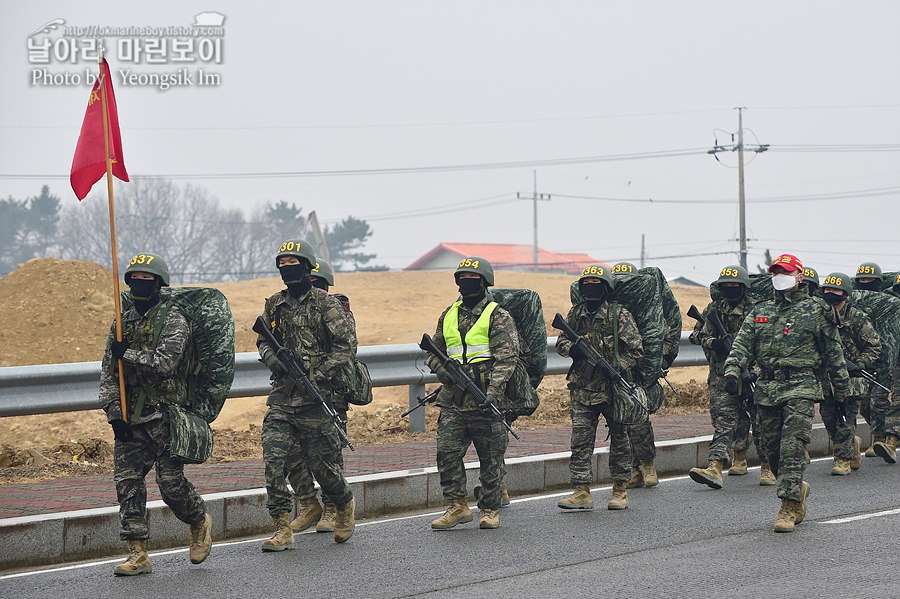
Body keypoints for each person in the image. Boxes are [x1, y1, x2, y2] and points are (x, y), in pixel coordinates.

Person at [99, 253, 212, 576]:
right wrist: (114, 414)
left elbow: (165, 364)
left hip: (166, 418)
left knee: (170, 484)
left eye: (147, 280)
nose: (139, 285)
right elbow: (108, 373)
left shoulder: (174, 320)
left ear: (159, 285)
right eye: (135, 279)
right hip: (131, 420)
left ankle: (199, 521)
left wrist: (128, 353)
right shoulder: (122, 324)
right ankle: (137, 553)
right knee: (127, 484)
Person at [724, 254, 849, 532]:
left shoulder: (817, 310)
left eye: (786, 272)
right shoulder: (761, 310)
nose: (780, 276)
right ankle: (796, 488)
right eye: (777, 272)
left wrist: (842, 392)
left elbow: (834, 353)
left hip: (801, 387)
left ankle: (788, 507)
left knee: (793, 448)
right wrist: (732, 370)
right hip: (767, 389)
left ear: (800, 276)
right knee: (771, 451)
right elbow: (742, 345)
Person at [258, 240, 356, 550]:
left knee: (324, 468)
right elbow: (263, 341)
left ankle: (342, 503)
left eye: (293, 262)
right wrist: (274, 360)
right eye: (282, 263)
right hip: (283, 397)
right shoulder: (275, 304)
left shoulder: (326, 304)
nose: (288, 268)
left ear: (307, 266)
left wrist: (321, 374)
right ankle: (281, 528)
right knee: (274, 462)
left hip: (317, 398)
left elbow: (345, 347)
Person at [426, 257, 519, 530]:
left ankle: (489, 508)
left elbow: (507, 359)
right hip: (453, 399)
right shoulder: (449, 314)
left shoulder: (498, 316)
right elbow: (433, 351)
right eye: (462, 277)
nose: (466, 282)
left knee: (490, 457)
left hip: (485, 399)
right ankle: (456, 506)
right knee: (446, 452)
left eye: (472, 278)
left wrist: (493, 391)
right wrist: (441, 371)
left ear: (484, 282)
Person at [556, 265, 643, 511]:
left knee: (620, 440)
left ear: (605, 288)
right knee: (580, 440)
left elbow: (636, 350)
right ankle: (581, 491)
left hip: (614, 391)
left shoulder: (619, 315)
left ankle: (620, 489)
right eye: (586, 284)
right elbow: (562, 341)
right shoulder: (575, 315)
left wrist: (616, 366)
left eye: (595, 283)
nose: (590, 288)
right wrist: (571, 349)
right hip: (583, 389)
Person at [283, 258, 357, 534]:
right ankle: (307, 503)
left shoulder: (335, 307)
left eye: (316, 283)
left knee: (328, 454)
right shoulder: (288, 305)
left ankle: (332, 507)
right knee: (293, 451)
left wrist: (320, 372)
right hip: (297, 391)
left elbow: (345, 347)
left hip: (330, 391)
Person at [688, 265, 769, 488]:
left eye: (735, 285)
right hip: (723, 374)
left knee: (760, 421)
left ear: (744, 287)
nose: (730, 289)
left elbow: (768, 343)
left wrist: (756, 371)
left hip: (753, 374)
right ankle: (717, 465)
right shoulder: (715, 309)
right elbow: (696, 334)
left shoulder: (758, 310)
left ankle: (767, 465)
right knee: (724, 420)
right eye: (726, 286)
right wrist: (715, 343)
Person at [818, 273, 881, 475]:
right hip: (826, 378)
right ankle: (848, 445)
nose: (830, 294)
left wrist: (859, 363)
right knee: (828, 417)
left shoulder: (857, 318)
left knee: (845, 417)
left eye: (834, 291)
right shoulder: (818, 316)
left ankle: (842, 459)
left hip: (851, 379)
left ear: (845, 294)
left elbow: (874, 346)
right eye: (827, 290)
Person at [612, 262, 659, 489]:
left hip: (639, 371)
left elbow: (660, 338)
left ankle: (648, 464)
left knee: (639, 422)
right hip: (613, 373)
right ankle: (632, 469)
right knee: (620, 424)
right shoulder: (608, 309)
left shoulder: (647, 309)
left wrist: (652, 366)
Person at [854, 262, 892, 457]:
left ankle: (878, 439)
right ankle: (882, 434)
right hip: (862, 359)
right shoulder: (853, 305)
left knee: (878, 401)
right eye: (862, 280)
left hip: (884, 360)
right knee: (864, 404)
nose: (865, 283)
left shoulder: (890, 304)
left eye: (869, 280)